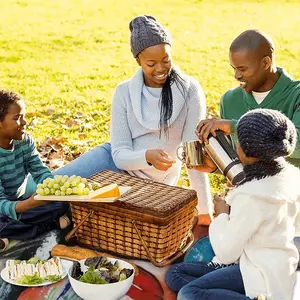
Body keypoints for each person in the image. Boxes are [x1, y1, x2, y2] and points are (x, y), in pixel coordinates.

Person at [39, 15, 212, 225]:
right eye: (151, 63)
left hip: (151, 184)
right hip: (113, 162)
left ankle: (62, 219)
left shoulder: (190, 91)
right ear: (138, 61)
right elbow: (119, 154)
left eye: (166, 60)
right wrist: (147, 156)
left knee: (76, 212)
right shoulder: (124, 92)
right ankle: (11, 216)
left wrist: (205, 212)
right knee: (46, 190)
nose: (160, 69)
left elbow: (193, 157)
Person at [166, 108, 300, 300]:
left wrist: (222, 215)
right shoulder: (292, 177)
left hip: (260, 277)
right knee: (175, 274)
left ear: (244, 150)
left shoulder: (251, 197)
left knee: (189, 293)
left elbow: (226, 252)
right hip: (274, 267)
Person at [196, 29, 300, 172]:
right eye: (234, 68)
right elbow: (239, 162)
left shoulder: (296, 95)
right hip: (250, 190)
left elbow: (297, 144)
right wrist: (216, 167)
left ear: (265, 63)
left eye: (242, 69)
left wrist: (235, 127)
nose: (236, 75)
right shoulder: (230, 100)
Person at [0, 90, 70, 250]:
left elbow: (40, 172)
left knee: (62, 203)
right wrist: (28, 205)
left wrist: (55, 190)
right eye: (17, 118)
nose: (24, 122)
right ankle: (47, 226)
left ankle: (10, 235)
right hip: (5, 207)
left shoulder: (25, 141)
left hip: (20, 201)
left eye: (24, 116)